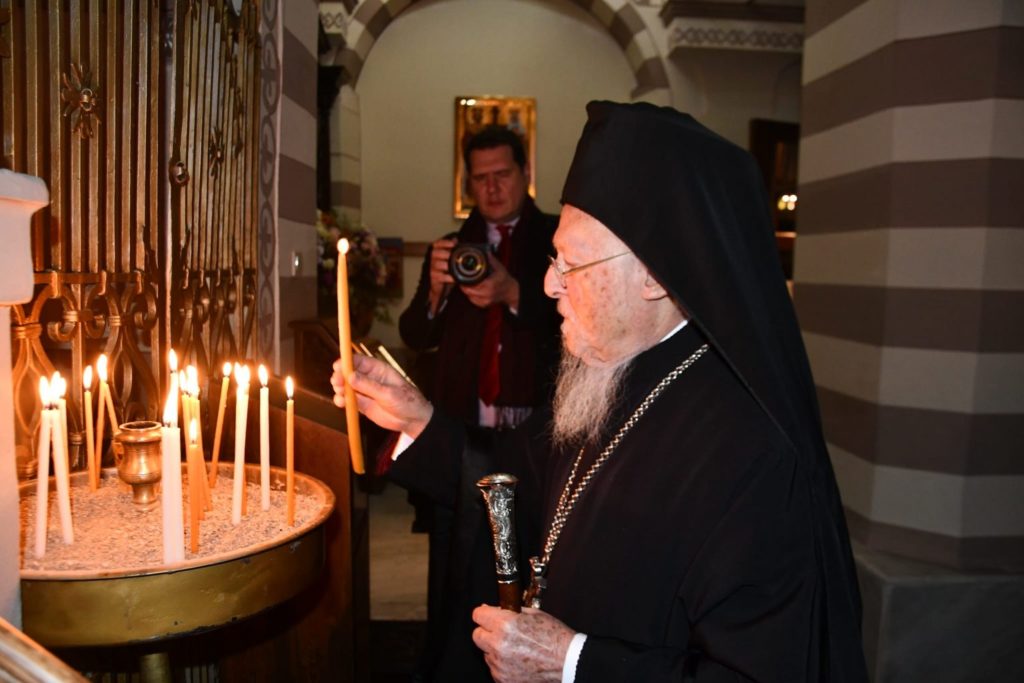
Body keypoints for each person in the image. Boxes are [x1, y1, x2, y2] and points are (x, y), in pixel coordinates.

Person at [335, 101, 868, 681]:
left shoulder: (754, 457)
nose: (547, 285)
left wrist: (572, 662)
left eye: (573, 264)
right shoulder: (610, 369)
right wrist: (416, 417)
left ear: (656, 277)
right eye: (551, 256)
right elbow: (517, 472)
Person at [397, 124, 561, 680]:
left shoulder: (557, 239)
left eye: (503, 175)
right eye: (480, 178)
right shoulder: (456, 244)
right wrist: (438, 291)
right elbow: (415, 333)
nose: (491, 189)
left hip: (536, 430)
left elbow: (569, 331)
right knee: (453, 561)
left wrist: (515, 292)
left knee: (533, 559)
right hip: (462, 432)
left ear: (525, 174)